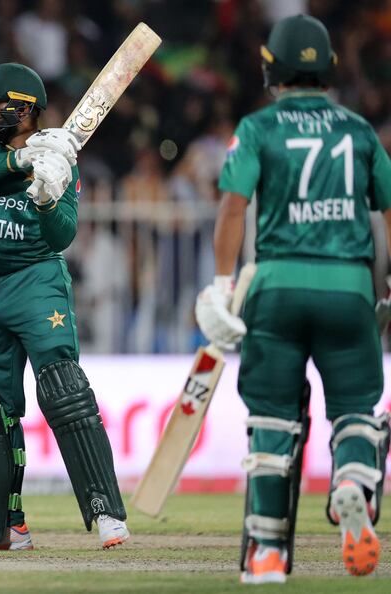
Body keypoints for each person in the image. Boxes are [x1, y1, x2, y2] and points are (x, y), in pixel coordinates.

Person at [195, 15, 391, 584]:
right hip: (348, 288)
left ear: (270, 68)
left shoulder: (257, 128)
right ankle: (353, 480)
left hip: (276, 288)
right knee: (355, 409)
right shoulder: (358, 130)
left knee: (273, 422)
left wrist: (222, 283)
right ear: (329, 68)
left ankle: (267, 553)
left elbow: (233, 207)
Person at [0, 63, 129, 551]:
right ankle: (5, 528)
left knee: (63, 390)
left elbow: (64, 236)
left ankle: (107, 513)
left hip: (37, 281)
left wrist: (51, 198)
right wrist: (22, 162)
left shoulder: (60, 158)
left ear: (24, 108)